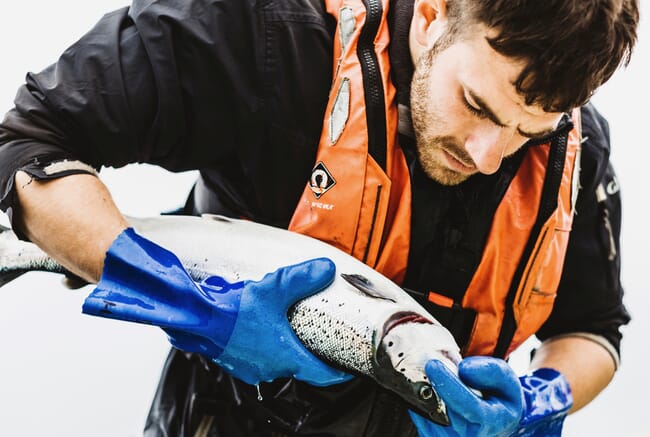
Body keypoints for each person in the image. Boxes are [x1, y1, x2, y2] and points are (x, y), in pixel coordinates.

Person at [0, 0, 638, 435]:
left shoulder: (579, 150)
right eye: (477, 105)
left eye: (530, 133)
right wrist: (182, 297)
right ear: (432, 15)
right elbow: (27, 146)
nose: (490, 157)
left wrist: (537, 401)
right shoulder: (262, 37)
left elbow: (594, 330)